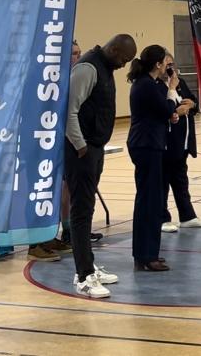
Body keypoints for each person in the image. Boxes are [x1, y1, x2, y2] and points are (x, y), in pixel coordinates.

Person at [66, 34, 137, 298]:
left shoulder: (105, 68)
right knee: (81, 211)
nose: (124, 64)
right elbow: (69, 110)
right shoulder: (87, 68)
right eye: (124, 59)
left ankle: (88, 265)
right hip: (81, 151)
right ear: (114, 49)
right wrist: (81, 145)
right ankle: (83, 276)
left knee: (88, 208)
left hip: (94, 148)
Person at [28, 39, 81, 262]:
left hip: (57, 144)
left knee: (53, 193)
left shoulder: (66, 79)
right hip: (39, 144)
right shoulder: (41, 78)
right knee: (38, 192)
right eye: (73, 53)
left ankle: (48, 236)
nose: (77, 58)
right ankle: (34, 244)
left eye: (79, 53)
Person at [126, 45, 176, 272]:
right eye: (165, 62)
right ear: (157, 64)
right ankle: (146, 255)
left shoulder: (150, 83)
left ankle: (146, 253)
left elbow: (160, 112)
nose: (167, 66)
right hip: (146, 145)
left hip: (149, 144)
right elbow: (165, 108)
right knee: (149, 200)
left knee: (150, 199)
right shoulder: (146, 84)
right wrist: (172, 90)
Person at [162, 57, 201, 232]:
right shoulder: (157, 86)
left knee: (181, 181)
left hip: (183, 142)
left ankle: (187, 216)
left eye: (172, 64)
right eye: (167, 64)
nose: (170, 68)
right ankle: (162, 218)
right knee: (163, 182)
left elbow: (193, 101)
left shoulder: (180, 82)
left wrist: (192, 104)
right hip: (167, 143)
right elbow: (162, 110)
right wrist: (176, 111)